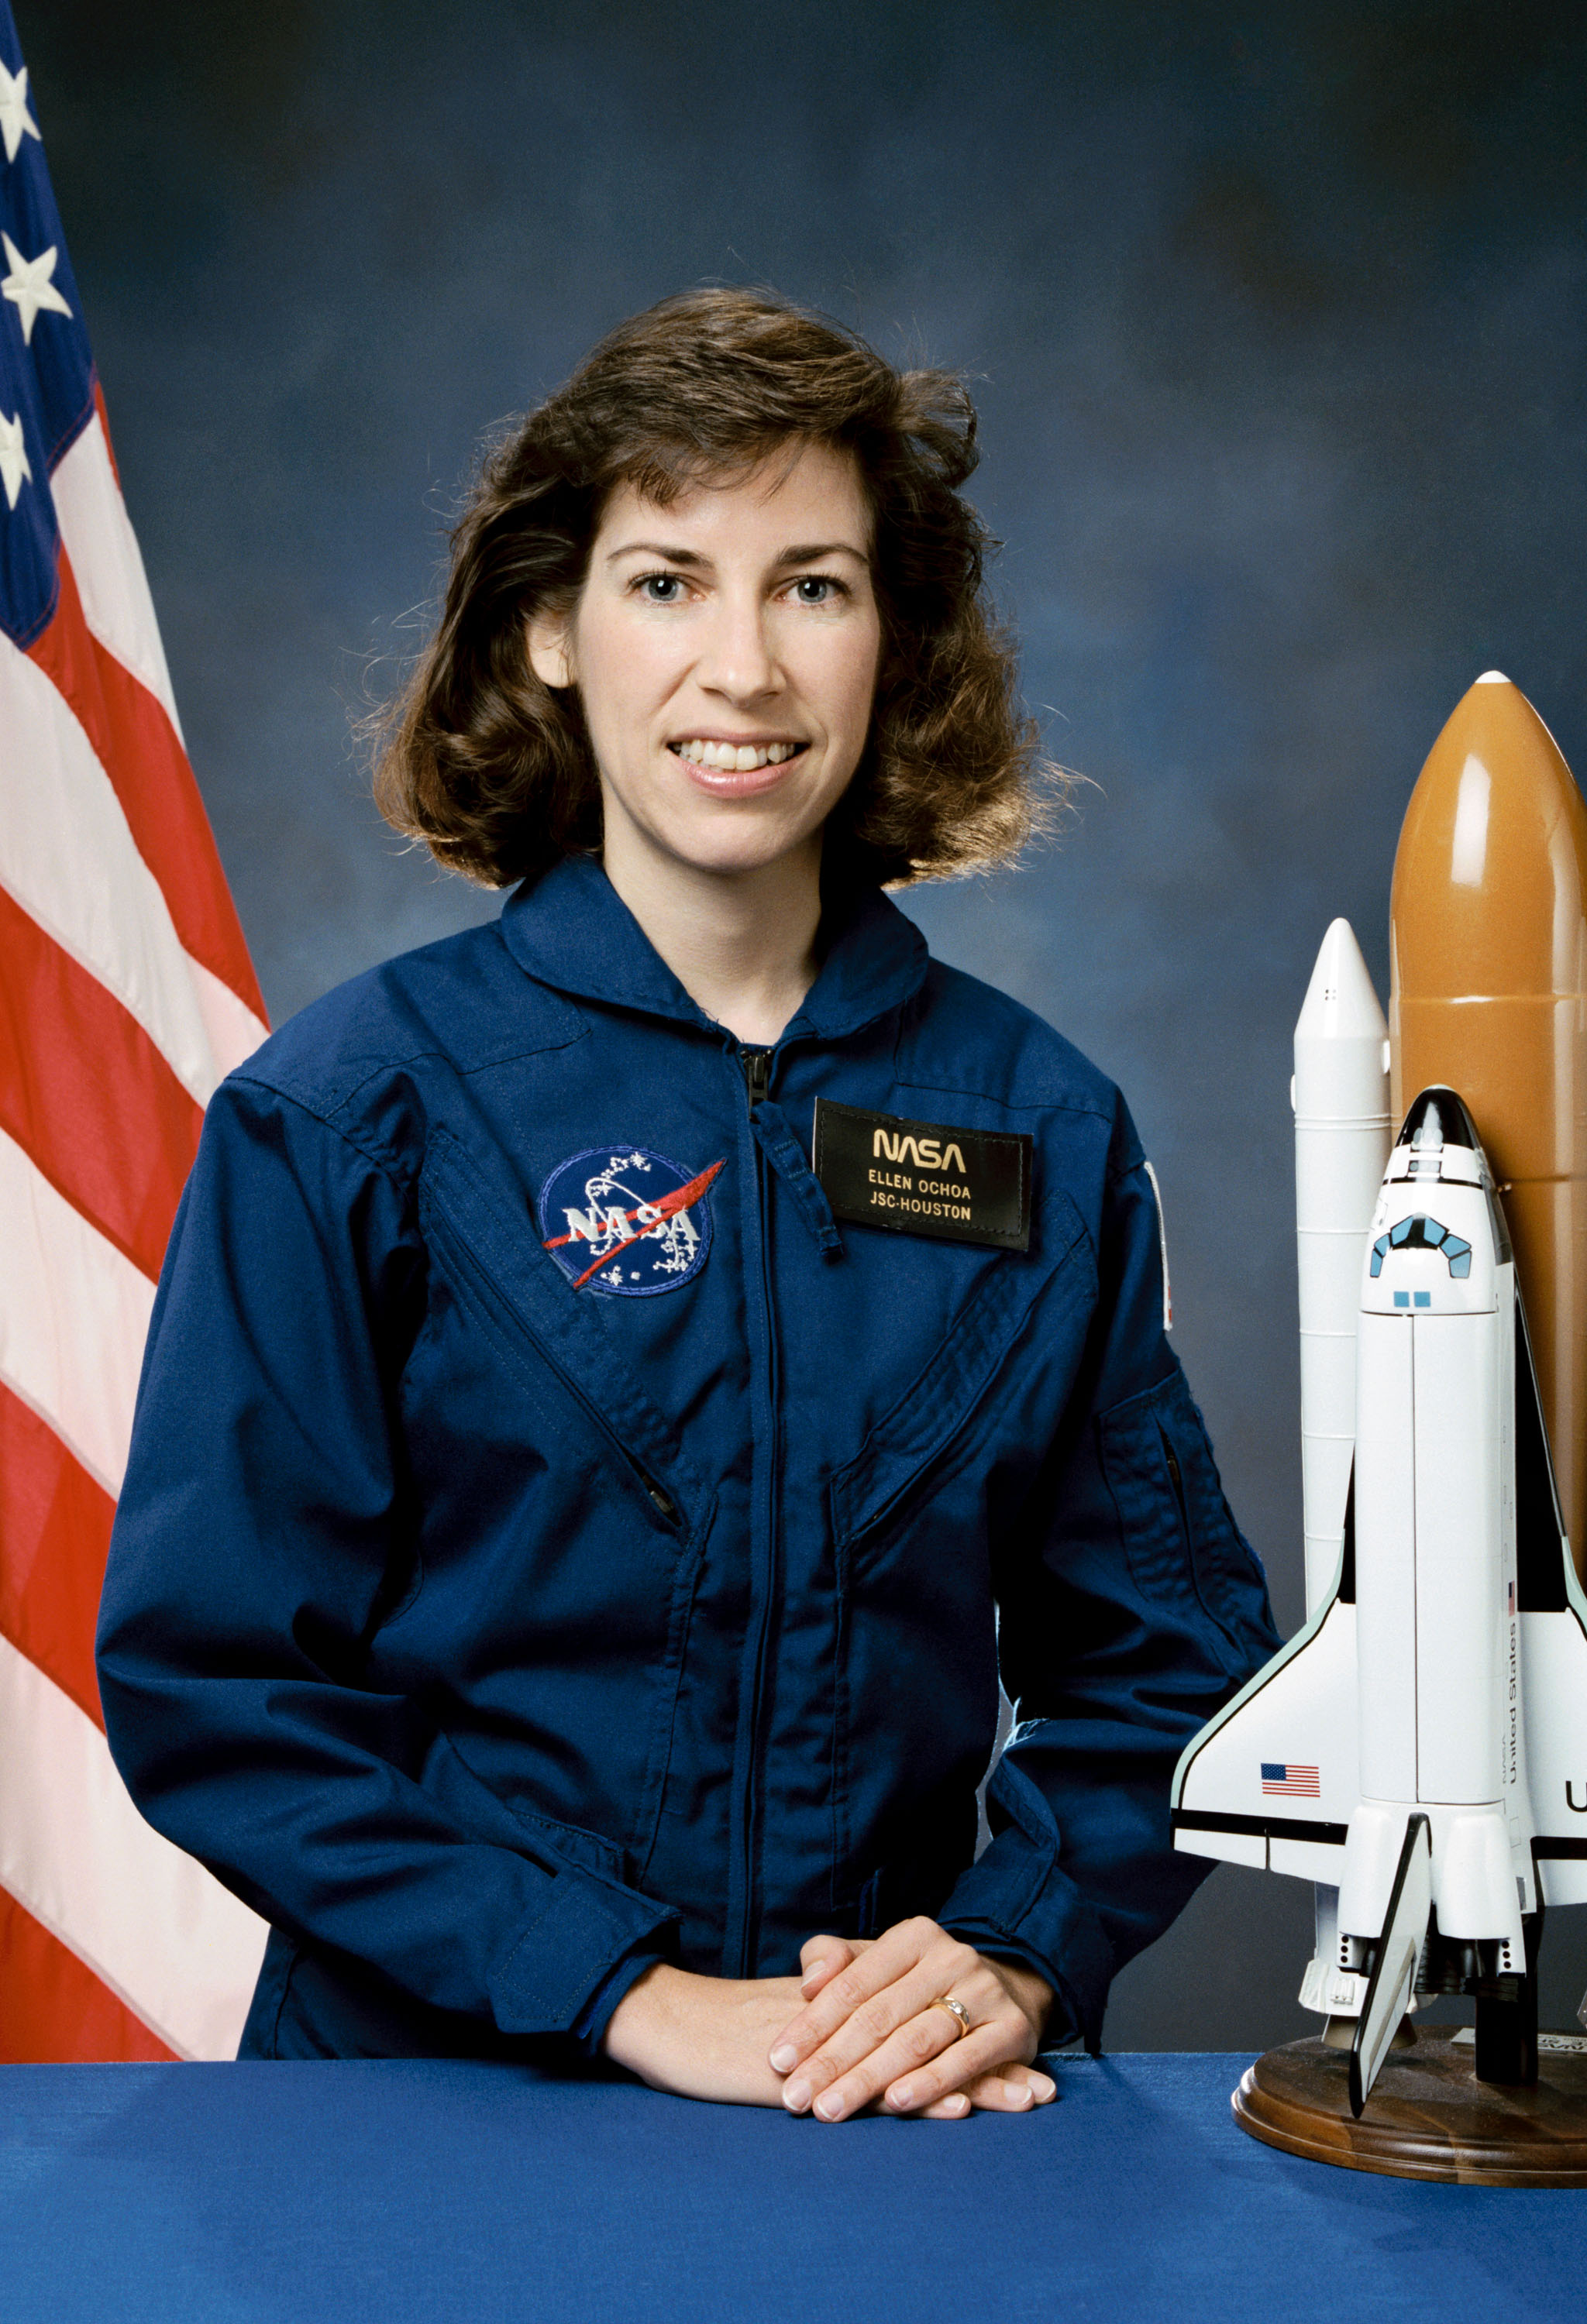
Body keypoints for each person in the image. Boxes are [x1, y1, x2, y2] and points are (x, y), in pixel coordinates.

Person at [98, 288, 1279, 2122]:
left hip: (892, 2107)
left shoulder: (1031, 1122)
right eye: (666, 583)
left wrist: (1011, 1953)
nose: (744, 666)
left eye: (812, 583)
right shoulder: (352, 1114)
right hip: (431, 2105)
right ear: (551, 632)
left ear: (895, 640)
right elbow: (221, 1682)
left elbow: (1173, 1660)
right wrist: (621, 1992)